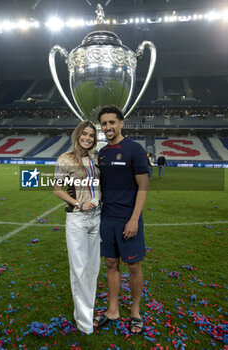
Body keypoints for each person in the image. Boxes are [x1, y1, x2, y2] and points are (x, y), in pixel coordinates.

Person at [93, 105, 149, 335]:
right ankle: (113, 310)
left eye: (111, 122)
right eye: (104, 123)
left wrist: (134, 219)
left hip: (129, 218)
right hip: (107, 218)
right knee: (111, 264)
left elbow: (143, 186)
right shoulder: (102, 153)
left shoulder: (134, 149)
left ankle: (135, 312)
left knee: (134, 265)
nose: (107, 127)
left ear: (121, 123)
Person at [54, 120, 101, 335]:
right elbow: (57, 189)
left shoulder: (95, 158)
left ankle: (86, 313)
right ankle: (84, 322)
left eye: (91, 135)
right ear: (77, 135)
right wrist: (78, 203)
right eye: (84, 134)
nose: (88, 138)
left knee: (93, 269)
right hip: (77, 219)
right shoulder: (65, 159)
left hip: (97, 217)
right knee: (79, 270)